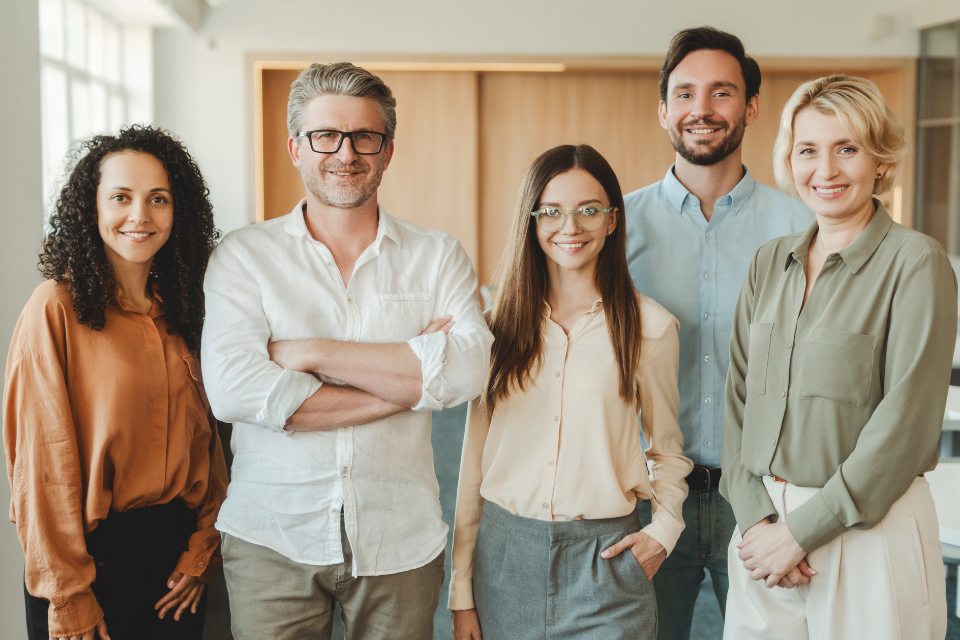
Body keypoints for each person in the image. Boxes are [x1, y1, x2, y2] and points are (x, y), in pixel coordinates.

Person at [200, 61, 493, 640]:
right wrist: (409, 381)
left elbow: (467, 371)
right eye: (326, 136)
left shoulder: (438, 256)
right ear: (295, 148)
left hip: (400, 537)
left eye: (365, 137)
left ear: (387, 150)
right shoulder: (243, 256)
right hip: (271, 534)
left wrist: (309, 352)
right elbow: (235, 390)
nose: (346, 153)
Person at [721, 74, 955, 640]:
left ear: (880, 160)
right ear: (789, 159)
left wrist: (802, 532)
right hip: (761, 529)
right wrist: (756, 518)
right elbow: (737, 401)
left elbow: (903, 428)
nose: (825, 171)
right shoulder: (768, 262)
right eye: (808, 150)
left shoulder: (916, 264)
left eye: (847, 149)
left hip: (866, 528)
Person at [448, 144, 692, 640]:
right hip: (504, 559)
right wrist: (461, 588)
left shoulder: (652, 329)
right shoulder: (494, 331)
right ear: (532, 221)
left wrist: (663, 532)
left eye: (589, 210)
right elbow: (473, 462)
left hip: (606, 563)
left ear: (612, 220)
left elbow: (666, 450)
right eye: (552, 211)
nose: (570, 226)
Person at [624, 26, 813, 639]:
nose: (700, 110)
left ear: (751, 107)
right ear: (663, 110)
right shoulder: (614, 227)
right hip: (649, 494)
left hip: (763, 494)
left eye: (721, 92)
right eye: (684, 94)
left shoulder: (802, 228)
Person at [3, 125, 229, 640]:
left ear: (180, 212)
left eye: (158, 199)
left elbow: (209, 446)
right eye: (120, 198)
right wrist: (68, 594)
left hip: (176, 565)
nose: (140, 216)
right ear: (92, 209)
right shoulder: (54, 309)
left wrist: (202, 550)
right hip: (89, 565)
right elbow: (41, 468)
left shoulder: (184, 313)